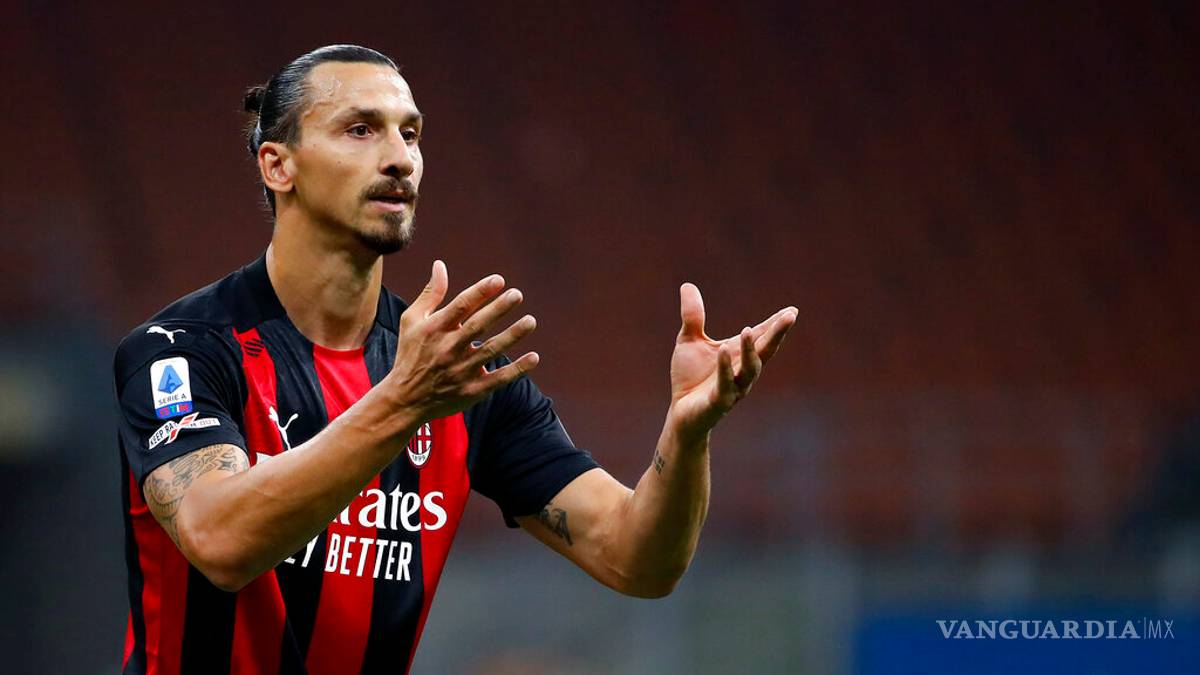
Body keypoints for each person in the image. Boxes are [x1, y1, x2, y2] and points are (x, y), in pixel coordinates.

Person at [113, 44, 796, 675]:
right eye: (361, 129)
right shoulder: (182, 351)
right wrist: (405, 400)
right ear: (277, 165)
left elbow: (637, 561)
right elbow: (220, 539)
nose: (400, 158)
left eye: (410, 134)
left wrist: (686, 436)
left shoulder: (459, 376)